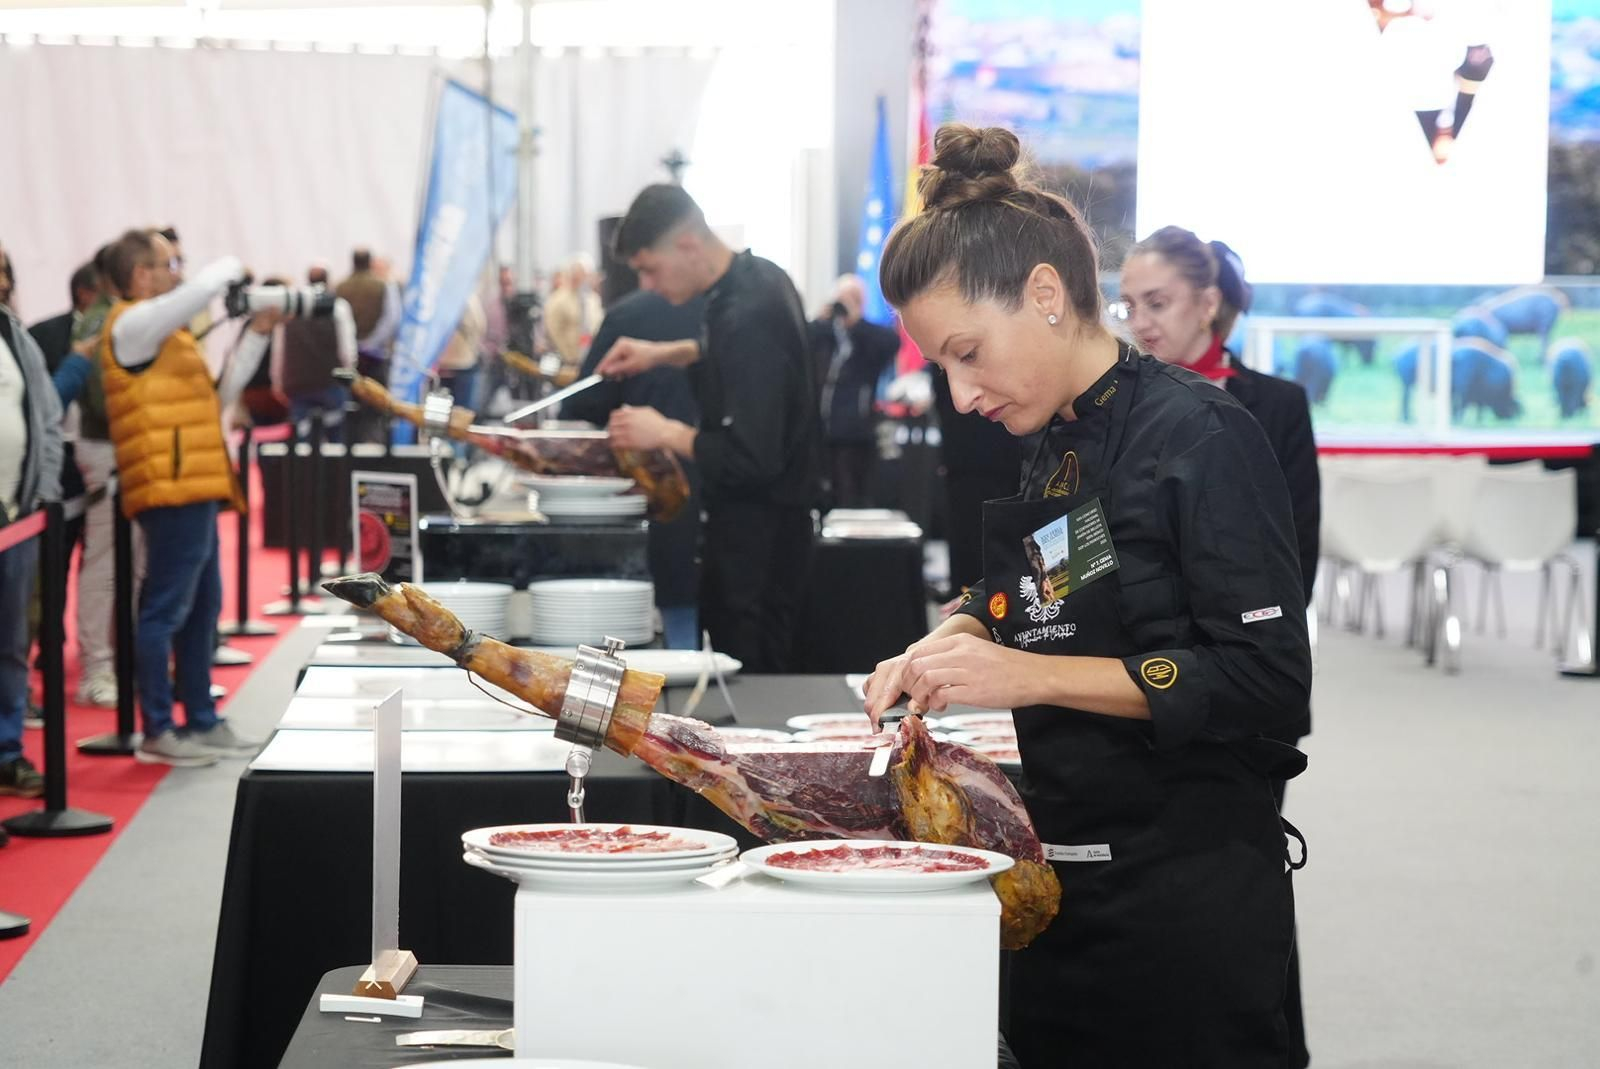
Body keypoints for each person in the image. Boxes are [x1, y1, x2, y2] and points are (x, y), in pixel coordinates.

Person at [862, 125, 1311, 1068]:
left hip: (1185, 905)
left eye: (969, 351)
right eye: (942, 364)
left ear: (1046, 294)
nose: (960, 392)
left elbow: (1263, 679)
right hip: (1065, 878)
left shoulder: (1203, 438)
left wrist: (1025, 673)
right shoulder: (1059, 438)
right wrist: (952, 635)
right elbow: (1050, 584)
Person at [1119, 224, 1321, 1069]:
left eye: (1157, 303)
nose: (1141, 323)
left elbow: (1291, 562)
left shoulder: (1271, 405)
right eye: (1128, 306)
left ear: (1210, 302)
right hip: (1140, 691)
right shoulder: (1122, 406)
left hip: (1240, 681)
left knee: (1244, 884)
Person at [596, 184, 821, 673]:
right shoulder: (758, 278)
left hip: (759, 549)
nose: (649, 286)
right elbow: (742, 362)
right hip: (757, 534)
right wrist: (664, 354)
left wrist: (665, 432)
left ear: (688, 245)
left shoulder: (748, 312)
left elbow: (754, 456)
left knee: (753, 686)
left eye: (649, 270)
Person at [100, 228, 279, 766]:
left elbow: (218, 398)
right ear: (140, 274)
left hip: (195, 482)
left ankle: (200, 718)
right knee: (164, 611)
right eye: (168, 261)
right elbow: (193, 295)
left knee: (202, 608)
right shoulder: (131, 325)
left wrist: (258, 332)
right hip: (169, 486)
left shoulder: (169, 336)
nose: (178, 269)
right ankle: (158, 727)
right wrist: (225, 266)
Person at [562, 279, 707, 651]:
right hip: (728, 508)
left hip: (655, 497)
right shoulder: (732, 313)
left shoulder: (628, 313)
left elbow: (582, 407)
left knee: (669, 618)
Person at [0, 240, 61, 799]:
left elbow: (46, 417)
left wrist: (42, 492)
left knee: (14, 642)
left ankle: (8, 752)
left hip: (16, 520)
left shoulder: (14, 336)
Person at [807, 274, 901, 509]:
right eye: (842, 297)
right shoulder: (824, 332)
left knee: (850, 496)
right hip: (818, 431)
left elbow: (891, 344)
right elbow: (801, 343)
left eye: (853, 297)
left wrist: (855, 321)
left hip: (854, 432)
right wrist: (822, 318)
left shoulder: (869, 335)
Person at [271, 265, 357, 441]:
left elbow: (279, 349)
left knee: (301, 441)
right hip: (331, 381)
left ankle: (303, 469)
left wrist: (278, 381)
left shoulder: (293, 307)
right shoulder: (338, 307)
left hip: (298, 384)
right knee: (336, 440)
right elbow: (347, 348)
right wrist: (349, 373)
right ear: (327, 280)